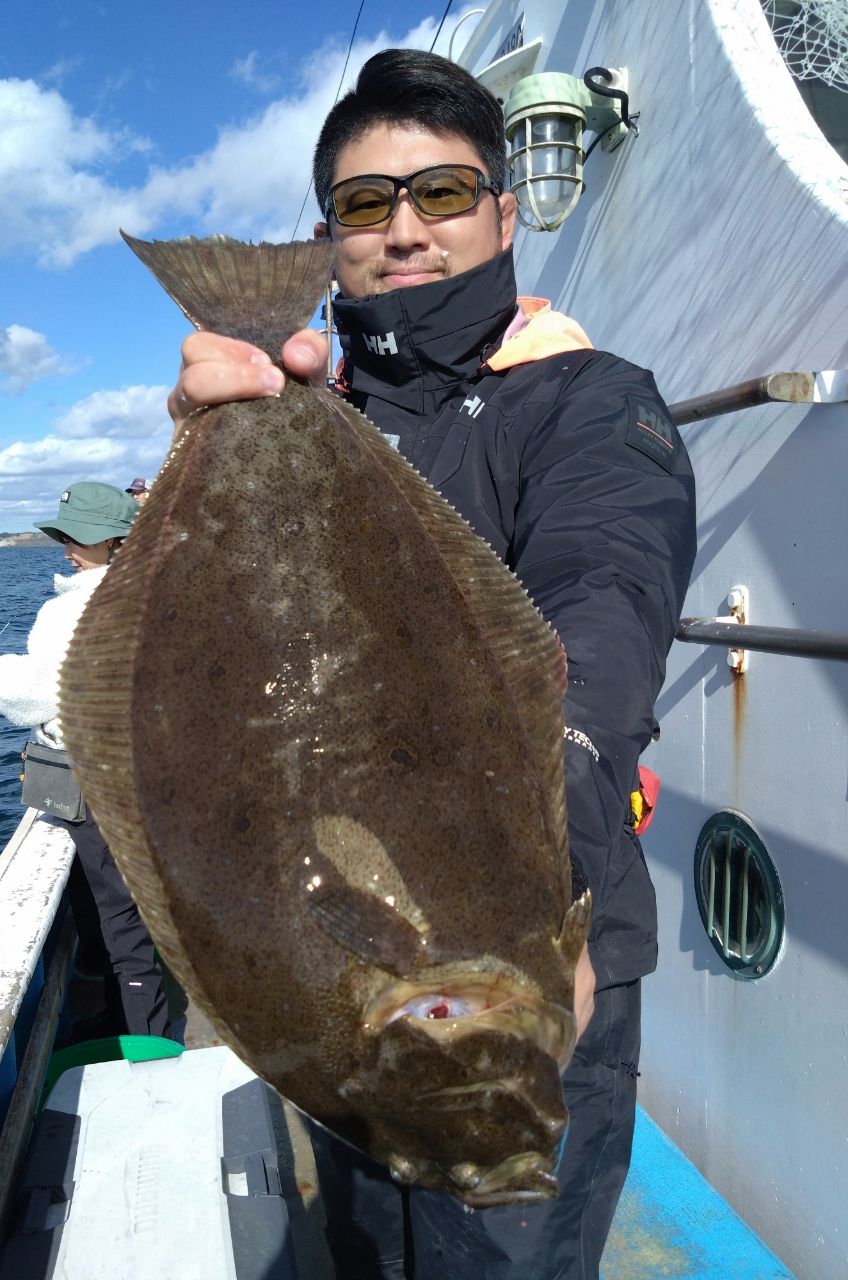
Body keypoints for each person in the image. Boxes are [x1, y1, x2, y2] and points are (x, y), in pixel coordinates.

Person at [166, 49, 695, 1280]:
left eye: (443, 193)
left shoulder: (589, 402)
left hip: (524, 949)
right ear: (329, 240)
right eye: (365, 205)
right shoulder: (309, 412)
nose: (403, 230)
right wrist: (209, 459)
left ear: (505, 213)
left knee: (501, 1248)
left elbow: (604, 600)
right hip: (331, 963)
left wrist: (531, 865)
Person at [0, 481, 173, 1043]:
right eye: (65, 535)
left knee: (117, 919)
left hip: (95, 781)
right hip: (145, 774)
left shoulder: (69, 611)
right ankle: (128, 1018)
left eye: (80, 538)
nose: (69, 546)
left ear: (116, 540)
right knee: (132, 905)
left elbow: (32, 694)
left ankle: (150, 1039)